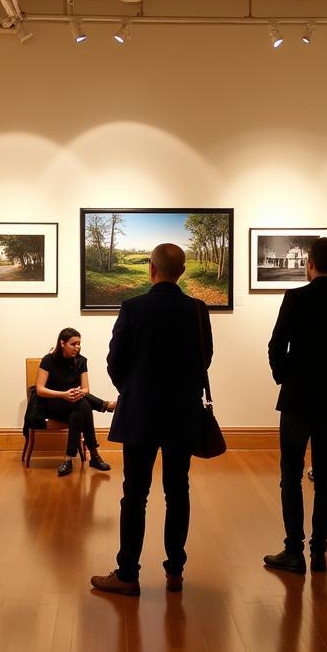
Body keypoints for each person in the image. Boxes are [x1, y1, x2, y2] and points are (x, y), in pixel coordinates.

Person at [90, 244, 211, 595]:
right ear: (183, 271)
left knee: (135, 494)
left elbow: (115, 361)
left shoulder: (133, 308)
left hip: (140, 412)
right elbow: (205, 359)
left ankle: (127, 574)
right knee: (178, 492)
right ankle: (175, 572)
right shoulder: (197, 310)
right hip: (183, 413)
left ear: (151, 270)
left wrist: (131, 387)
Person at [264, 236, 327, 574]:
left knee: (290, 475)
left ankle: (294, 550)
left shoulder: (295, 297)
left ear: (310, 263)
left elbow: (277, 345)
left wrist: (284, 376)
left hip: (297, 397)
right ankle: (319, 551)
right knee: (323, 476)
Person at [35, 328, 115, 476]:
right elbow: (40, 389)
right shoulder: (48, 360)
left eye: (79, 343)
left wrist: (76, 393)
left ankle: (68, 460)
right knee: (82, 405)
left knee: (80, 407)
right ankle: (94, 455)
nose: (77, 347)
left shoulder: (81, 361)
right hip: (53, 403)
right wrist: (63, 394)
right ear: (62, 343)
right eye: (73, 344)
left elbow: (85, 389)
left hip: (74, 402)